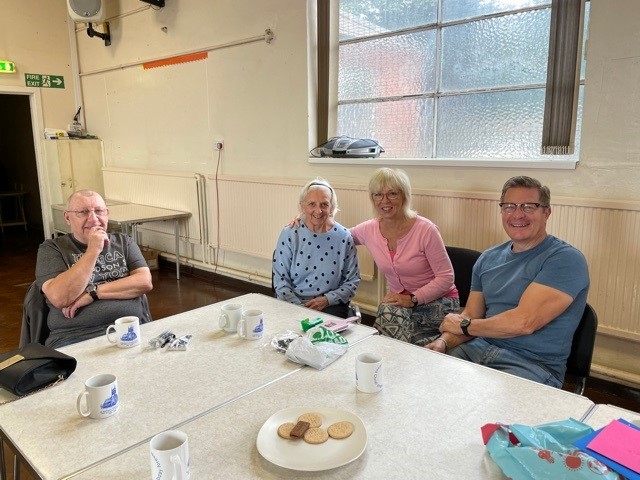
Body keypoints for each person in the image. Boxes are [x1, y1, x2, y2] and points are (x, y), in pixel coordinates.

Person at [430, 176, 589, 388]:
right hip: (476, 349)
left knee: (480, 405)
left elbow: (524, 322)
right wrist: (443, 341)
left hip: (530, 365)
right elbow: (471, 315)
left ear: (546, 212)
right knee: (425, 384)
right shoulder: (487, 259)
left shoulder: (565, 259)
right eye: (509, 206)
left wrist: (465, 325)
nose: (517, 214)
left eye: (529, 207)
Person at [350, 168, 459, 346]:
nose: (385, 200)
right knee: (391, 321)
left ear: (404, 196)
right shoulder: (369, 229)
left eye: (392, 193)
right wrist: (309, 220)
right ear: (372, 198)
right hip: (399, 304)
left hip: (439, 300)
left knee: (394, 325)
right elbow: (339, 236)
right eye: (378, 194)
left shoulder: (426, 229)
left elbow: (446, 278)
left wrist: (412, 299)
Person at [35, 190, 153, 347]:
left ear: (107, 214)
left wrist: (93, 293)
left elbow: (144, 282)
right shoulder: (52, 249)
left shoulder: (124, 242)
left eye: (99, 211)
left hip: (128, 331)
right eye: (83, 212)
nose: (93, 219)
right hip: (75, 337)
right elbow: (60, 297)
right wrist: (93, 250)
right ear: (67, 217)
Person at [273, 178, 360, 318]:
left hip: (329, 304)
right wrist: (299, 308)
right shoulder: (290, 233)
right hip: (292, 302)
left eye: (324, 204)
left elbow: (352, 281)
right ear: (302, 206)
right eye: (312, 204)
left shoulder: (343, 237)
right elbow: (280, 279)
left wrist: (327, 300)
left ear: (332, 207)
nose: (318, 210)